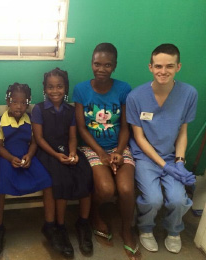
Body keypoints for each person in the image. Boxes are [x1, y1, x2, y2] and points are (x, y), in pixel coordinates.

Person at [126, 43, 197, 254]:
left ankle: (174, 230)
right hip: (145, 157)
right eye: (158, 66)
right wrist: (163, 165)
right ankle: (145, 229)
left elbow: (183, 132)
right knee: (153, 199)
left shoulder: (188, 94)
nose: (163, 71)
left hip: (172, 156)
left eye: (169, 66)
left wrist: (179, 162)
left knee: (178, 199)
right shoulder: (136, 97)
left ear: (178, 67)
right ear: (150, 67)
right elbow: (139, 138)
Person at [73, 43, 140, 260]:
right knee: (105, 189)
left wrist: (119, 152)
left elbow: (125, 125)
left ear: (115, 66)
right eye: (97, 64)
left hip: (118, 146)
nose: (101, 69)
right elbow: (82, 128)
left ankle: (126, 229)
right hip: (92, 147)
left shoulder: (123, 89)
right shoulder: (81, 90)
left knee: (126, 189)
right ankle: (94, 214)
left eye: (107, 65)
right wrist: (101, 153)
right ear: (91, 63)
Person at [32, 68, 93, 257]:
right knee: (60, 179)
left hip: (67, 150)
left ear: (65, 88)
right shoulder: (39, 109)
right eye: (50, 87)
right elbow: (39, 139)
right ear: (44, 89)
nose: (55, 91)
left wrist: (73, 152)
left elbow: (73, 137)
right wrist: (57, 155)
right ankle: (59, 227)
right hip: (47, 152)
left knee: (85, 175)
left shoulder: (71, 110)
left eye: (59, 86)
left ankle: (83, 223)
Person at [0, 83, 54, 256]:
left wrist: (30, 156)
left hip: (27, 156)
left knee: (47, 181)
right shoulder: (1, 120)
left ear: (28, 103)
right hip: (7, 157)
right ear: (8, 101)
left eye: (23, 102)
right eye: (14, 102)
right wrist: (11, 158)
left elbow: (34, 142)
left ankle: (50, 225)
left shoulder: (30, 118)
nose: (19, 106)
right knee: (0, 185)